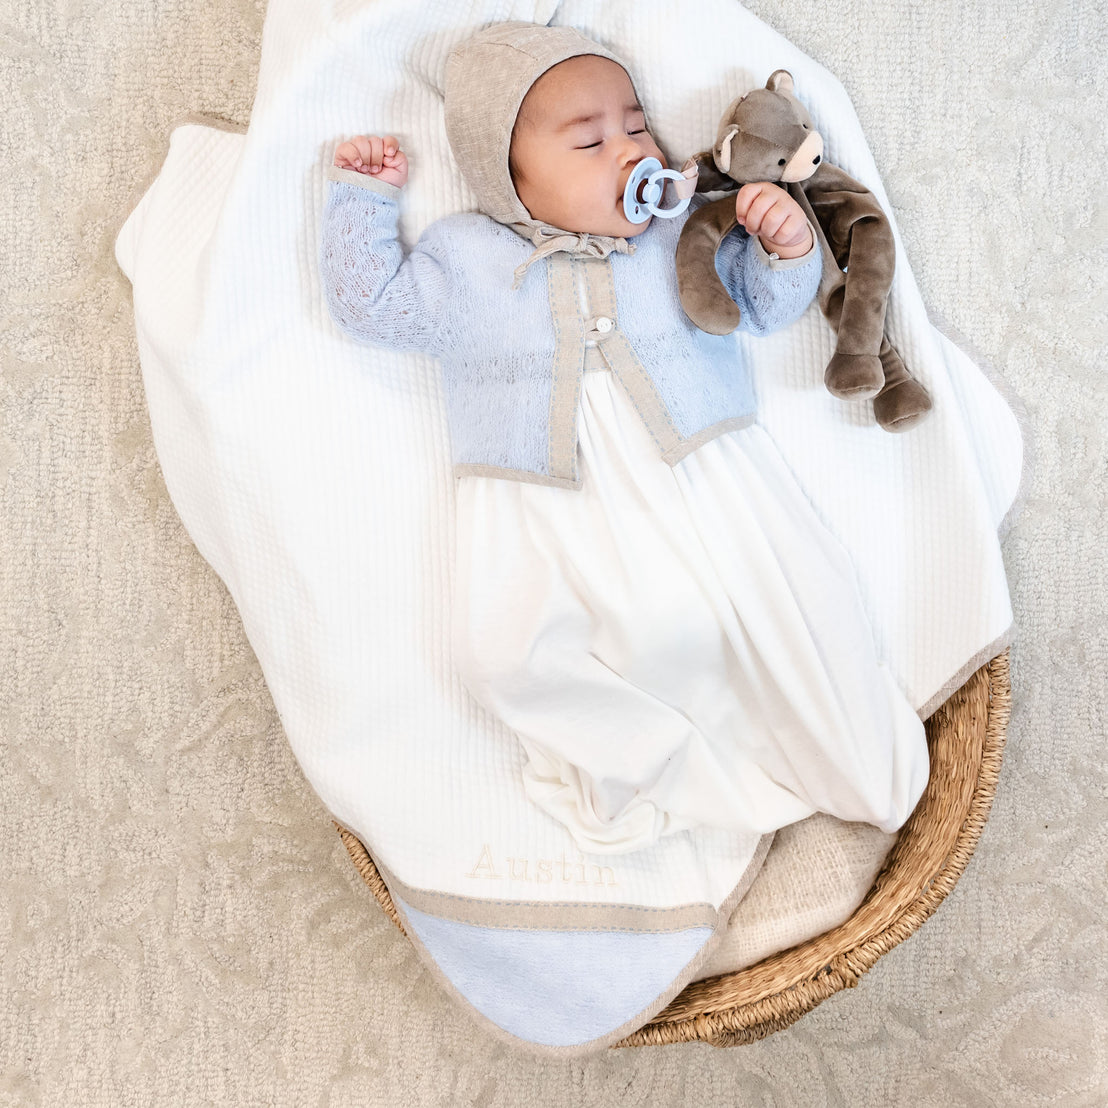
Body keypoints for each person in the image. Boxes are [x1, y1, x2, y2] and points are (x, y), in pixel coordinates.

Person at [319, 21, 930, 854]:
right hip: (540, 503)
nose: (629, 151)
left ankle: (834, 751)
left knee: (781, 606)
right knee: (500, 656)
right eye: (588, 139)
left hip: (702, 476)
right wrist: (363, 199)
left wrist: (784, 248)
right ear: (508, 175)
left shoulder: (683, 235)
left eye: (637, 125)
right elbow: (373, 308)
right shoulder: (466, 258)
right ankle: (661, 761)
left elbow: (757, 305)